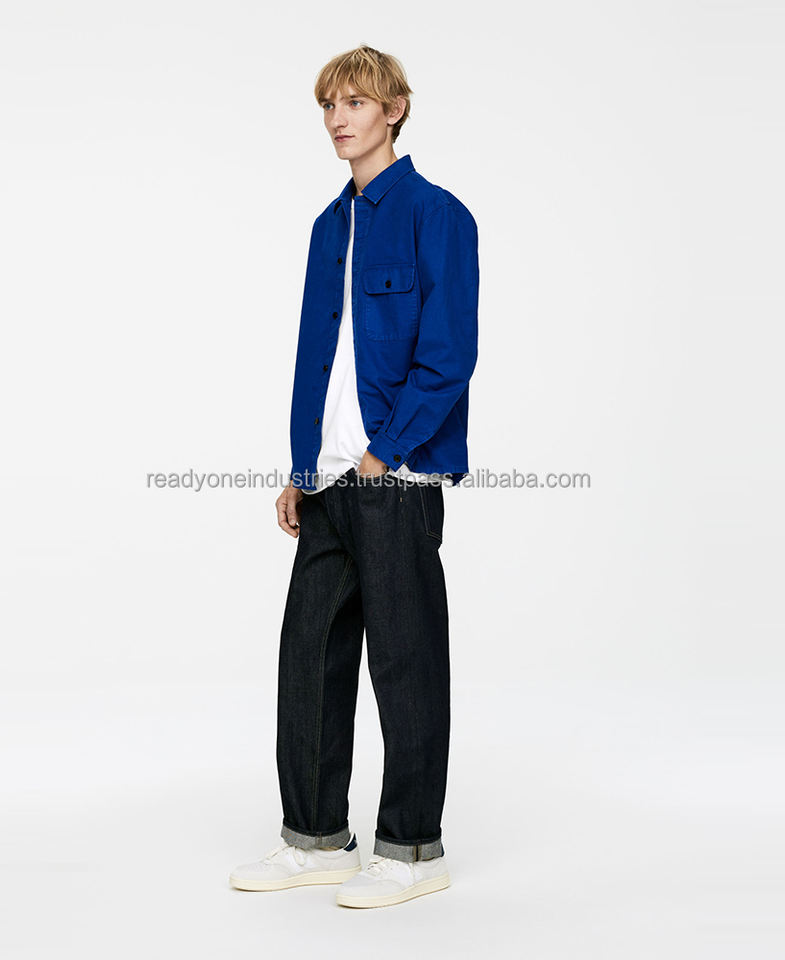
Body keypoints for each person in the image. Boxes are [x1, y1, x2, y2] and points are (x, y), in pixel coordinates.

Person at [229, 44, 479, 909]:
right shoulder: (326, 226)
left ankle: (412, 851)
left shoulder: (437, 215)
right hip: (329, 480)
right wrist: (303, 468)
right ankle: (316, 840)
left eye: (356, 103)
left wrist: (385, 452)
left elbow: (449, 355)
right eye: (328, 105)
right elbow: (320, 358)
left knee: (406, 665)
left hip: (395, 478)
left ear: (395, 109)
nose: (339, 119)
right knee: (310, 658)